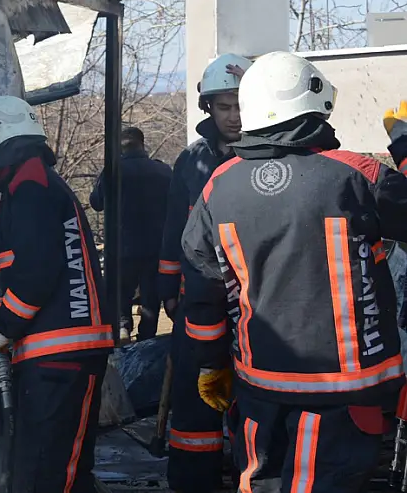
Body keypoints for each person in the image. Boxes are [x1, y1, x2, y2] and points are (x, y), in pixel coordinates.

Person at [181, 52, 407, 493]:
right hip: (344, 388)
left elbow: (203, 291)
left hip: (258, 382)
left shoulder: (218, 187)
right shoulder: (357, 176)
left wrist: (210, 365)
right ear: (317, 107)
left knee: (260, 481)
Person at [0, 95, 113, 493]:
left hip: (63, 353)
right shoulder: (31, 184)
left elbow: (37, 276)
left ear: (1, 143)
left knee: (50, 476)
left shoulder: (32, 188)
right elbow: (24, 275)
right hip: (56, 353)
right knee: (41, 472)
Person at [155, 52, 251, 493]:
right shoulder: (191, 162)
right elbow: (175, 228)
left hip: (253, 304)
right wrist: (167, 290)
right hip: (198, 302)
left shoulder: (268, 157)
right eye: (224, 106)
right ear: (208, 108)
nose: (233, 116)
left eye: (240, 104)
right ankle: (194, 482)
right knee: (196, 404)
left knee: (251, 401)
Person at [89, 126, 172, 341]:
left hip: (121, 246)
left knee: (121, 291)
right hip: (156, 245)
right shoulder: (163, 172)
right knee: (151, 294)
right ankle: (147, 336)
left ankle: (123, 326)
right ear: (143, 144)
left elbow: (96, 203)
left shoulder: (113, 172)